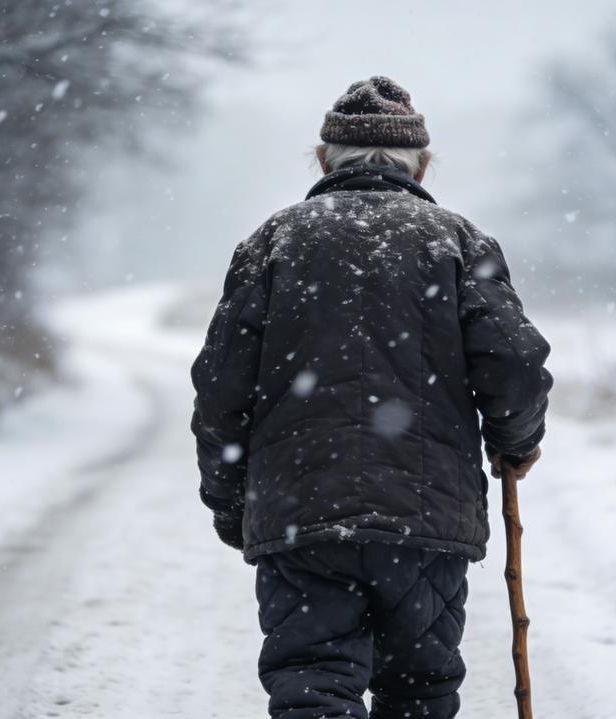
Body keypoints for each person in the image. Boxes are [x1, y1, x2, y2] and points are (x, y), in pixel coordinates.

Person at [190, 75, 552, 719]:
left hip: (302, 517)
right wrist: (515, 443)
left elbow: (221, 391)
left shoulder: (273, 243)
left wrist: (230, 501)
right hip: (426, 521)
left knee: (313, 686)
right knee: (419, 690)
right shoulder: (458, 241)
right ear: (423, 164)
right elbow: (515, 364)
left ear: (324, 160)